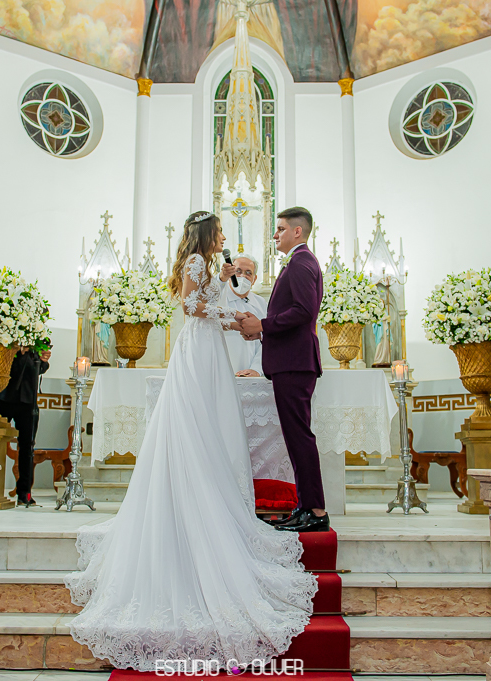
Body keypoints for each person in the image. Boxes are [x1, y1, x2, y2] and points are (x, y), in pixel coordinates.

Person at [65, 210, 316, 671]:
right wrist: (231, 314)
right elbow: (190, 308)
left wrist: (233, 311)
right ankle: (189, 496)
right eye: (219, 230)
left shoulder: (211, 266)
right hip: (196, 353)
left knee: (214, 428)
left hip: (210, 350)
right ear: (206, 234)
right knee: (194, 425)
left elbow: (211, 306)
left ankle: (211, 494)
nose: (224, 236)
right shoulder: (195, 264)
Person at [239, 207, 327, 533]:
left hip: (294, 362)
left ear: (297, 232)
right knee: (295, 438)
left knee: (300, 438)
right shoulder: (299, 262)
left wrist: (261, 324)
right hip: (290, 362)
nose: (275, 235)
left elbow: (303, 311)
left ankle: (315, 511)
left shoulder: (302, 263)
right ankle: (307, 507)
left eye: (279, 229)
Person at [0, 347, 51, 507]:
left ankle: (24, 492)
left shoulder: (37, 342)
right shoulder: (8, 342)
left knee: (27, 447)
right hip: (3, 396)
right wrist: (18, 351)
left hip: (27, 400)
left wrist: (44, 362)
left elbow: (37, 369)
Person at [220, 253, 268, 377]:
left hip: (251, 372)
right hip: (221, 371)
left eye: (248, 273)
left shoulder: (260, 303)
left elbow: (266, 339)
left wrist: (256, 369)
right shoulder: (219, 299)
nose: (243, 276)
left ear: (254, 279)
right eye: (238, 271)